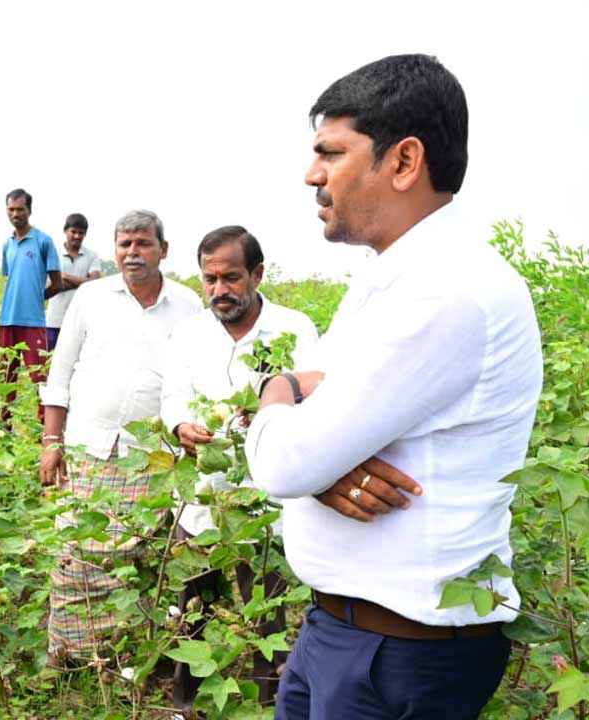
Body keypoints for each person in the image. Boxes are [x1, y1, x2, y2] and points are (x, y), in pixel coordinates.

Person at [243, 55, 543, 720]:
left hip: (397, 659)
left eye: (331, 153)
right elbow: (311, 448)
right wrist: (321, 464)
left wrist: (278, 388)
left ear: (404, 162)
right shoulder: (388, 279)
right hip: (346, 636)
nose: (311, 174)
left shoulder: (447, 290)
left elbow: (284, 457)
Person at [160, 226, 318, 709]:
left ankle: (267, 707)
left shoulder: (296, 330)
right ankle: (187, 709)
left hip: (265, 504)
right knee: (192, 614)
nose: (219, 290)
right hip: (202, 501)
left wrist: (273, 414)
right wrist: (182, 425)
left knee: (265, 620)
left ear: (257, 274)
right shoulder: (189, 333)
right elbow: (172, 398)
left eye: (230, 277)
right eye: (209, 279)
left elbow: (317, 399)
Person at [40, 209, 201, 659]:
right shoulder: (89, 298)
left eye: (143, 243)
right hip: (88, 445)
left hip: (152, 453)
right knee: (77, 554)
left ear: (163, 250)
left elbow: (194, 376)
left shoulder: (188, 305)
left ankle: (125, 656)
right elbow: (61, 370)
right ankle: (69, 656)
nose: (133, 253)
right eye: (125, 244)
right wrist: (52, 443)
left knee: (139, 556)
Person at [0, 188, 61, 397]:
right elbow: (11, 280)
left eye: (20, 209)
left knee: (40, 378)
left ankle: (46, 427)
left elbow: (57, 284)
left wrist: (36, 299)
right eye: (11, 210)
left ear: (29, 211)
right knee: (6, 378)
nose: (15, 215)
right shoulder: (8, 244)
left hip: (33, 321)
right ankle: (5, 426)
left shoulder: (43, 241)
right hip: (7, 320)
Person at [44, 213, 102, 350]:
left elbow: (95, 283)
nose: (77, 236)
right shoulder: (53, 253)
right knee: (48, 362)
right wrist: (83, 283)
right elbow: (47, 287)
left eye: (81, 233)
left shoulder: (91, 256)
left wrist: (64, 276)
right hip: (54, 319)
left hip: (80, 320)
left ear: (85, 234)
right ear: (65, 230)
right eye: (73, 232)